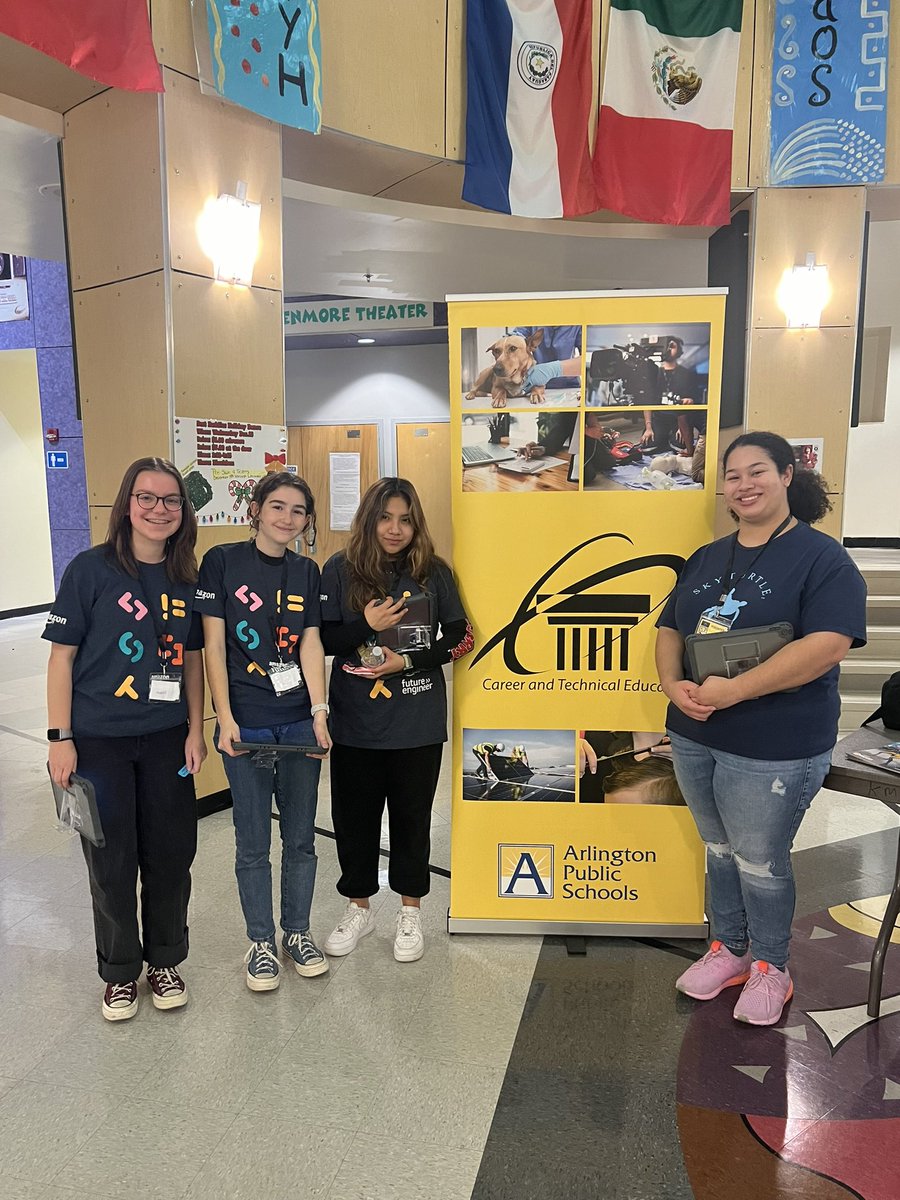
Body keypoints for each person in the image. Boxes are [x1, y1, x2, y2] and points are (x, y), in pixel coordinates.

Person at [655, 432, 867, 1026]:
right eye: (733, 475)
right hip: (697, 731)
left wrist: (737, 690)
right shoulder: (707, 555)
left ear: (787, 476)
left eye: (758, 471)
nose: (744, 485)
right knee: (720, 850)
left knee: (760, 859)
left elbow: (827, 647)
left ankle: (772, 966)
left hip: (775, 743)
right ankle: (730, 949)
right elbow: (671, 629)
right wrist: (673, 686)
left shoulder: (822, 558)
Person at [44, 457, 206, 1021]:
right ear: (127, 504)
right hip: (100, 741)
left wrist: (194, 729)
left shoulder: (187, 577)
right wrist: (60, 737)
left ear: (182, 512)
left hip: (165, 740)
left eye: (170, 501)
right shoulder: (88, 571)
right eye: (147, 498)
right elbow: (61, 659)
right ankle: (118, 972)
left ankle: (164, 960)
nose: (159, 509)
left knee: (170, 854)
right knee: (111, 860)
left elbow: (191, 661)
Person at [320, 477, 473, 963]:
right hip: (356, 722)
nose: (395, 528)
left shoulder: (435, 573)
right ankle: (358, 907)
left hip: (416, 722)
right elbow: (324, 640)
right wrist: (368, 625)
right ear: (368, 519)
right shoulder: (338, 571)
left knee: (412, 820)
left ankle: (411, 911)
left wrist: (406, 661)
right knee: (354, 821)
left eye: (405, 519)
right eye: (385, 517)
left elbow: (462, 637)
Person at [196, 472, 331, 991]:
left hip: (298, 719)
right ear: (256, 509)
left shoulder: (307, 570)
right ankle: (260, 941)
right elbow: (213, 646)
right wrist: (224, 718)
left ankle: (297, 931)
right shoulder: (222, 562)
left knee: (300, 840)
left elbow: (311, 645)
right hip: (246, 722)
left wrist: (319, 712)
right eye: (277, 506)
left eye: (298, 511)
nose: (287, 518)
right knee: (252, 843)